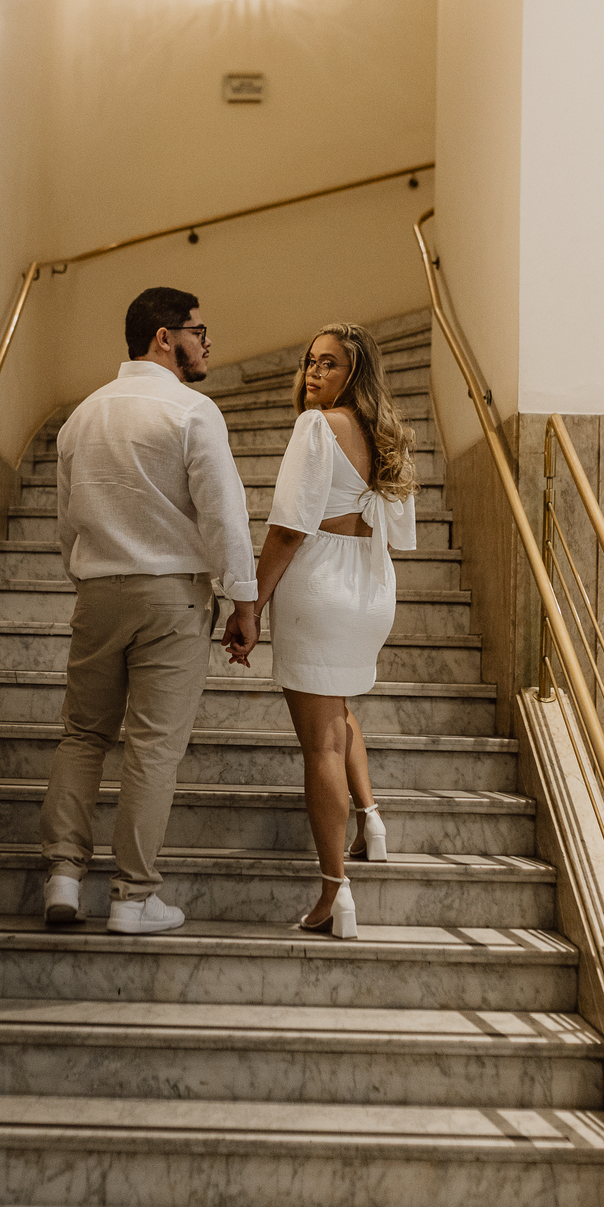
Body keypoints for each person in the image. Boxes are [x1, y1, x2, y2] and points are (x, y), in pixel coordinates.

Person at [40, 287, 259, 933]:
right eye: (199, 331)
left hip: (98, 593)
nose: (207, 344)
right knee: (154, 749)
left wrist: (88, 577)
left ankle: (62, 876)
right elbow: (223, 514)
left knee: (83, 736)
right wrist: (243, 600)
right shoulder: (192, 411)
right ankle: (132, 899)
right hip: (170, 596)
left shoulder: (82, 416)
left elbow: (66, 523)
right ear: (165, 337)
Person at [224, 323, 416, 938]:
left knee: (321, 745)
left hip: (321, 584)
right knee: (338, 713)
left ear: (355, 373)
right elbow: (396, 531)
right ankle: (371, 818)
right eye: (310, 360)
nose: (313, 371)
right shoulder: (388, 438)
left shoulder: (317, 427)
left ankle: (336, 894)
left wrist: (251, 605)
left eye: (329, 364)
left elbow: (288, 528)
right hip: (370, 586)